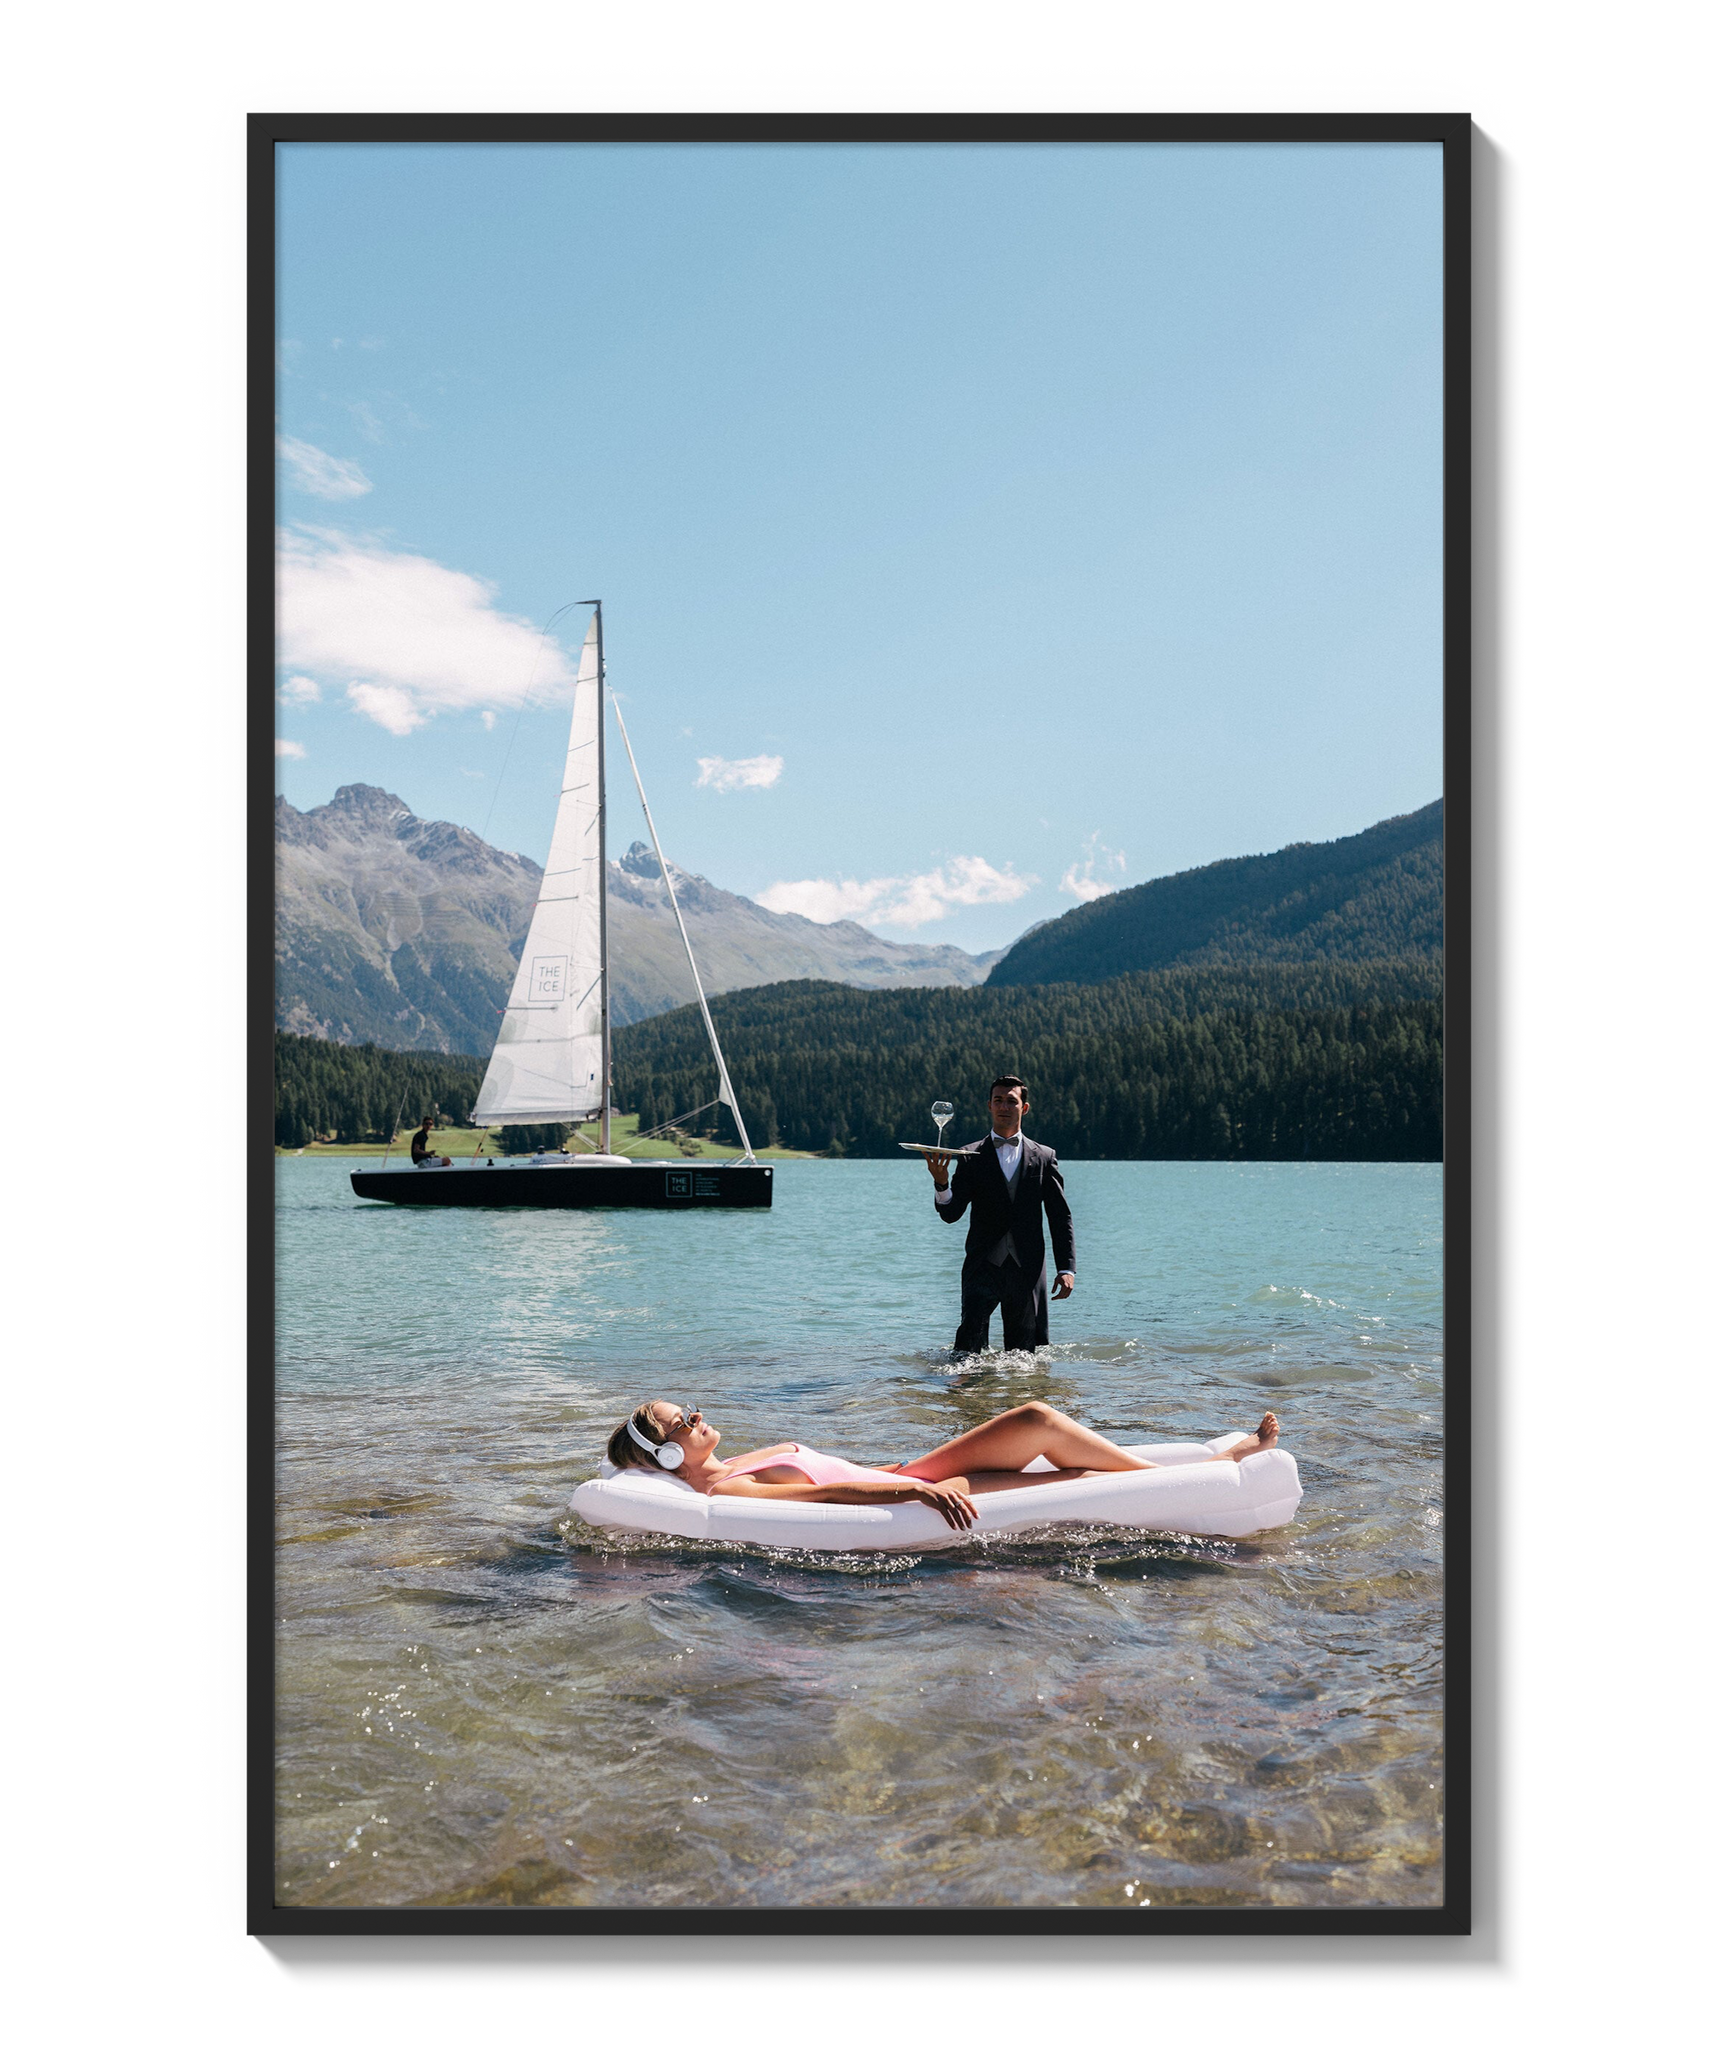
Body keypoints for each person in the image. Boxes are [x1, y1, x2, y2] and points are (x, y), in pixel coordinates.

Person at [606, 1399, 1281, 1532]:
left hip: (911, 1470)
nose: (696, 1415)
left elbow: (828, 1468)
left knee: (1041, 1429)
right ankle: (1218, 1464)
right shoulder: (731, 1488)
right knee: (1043, 1433)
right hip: (915, 1490)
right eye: (681, 1422)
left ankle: (1212, 1458)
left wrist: (902, 1471)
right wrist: (919, 1496)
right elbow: (826, 1498)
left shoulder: (733, 1460)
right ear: (668, 1454)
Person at [926, 1075, 1074, 1356]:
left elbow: (1059, 1216)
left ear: (1024, 1108)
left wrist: (1066, 1268)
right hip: (982, 1266)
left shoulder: (1044, 1156)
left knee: (1024, 1356)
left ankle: (1021, 1399)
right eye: (998, 1101)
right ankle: (967, 1400)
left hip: (1027, 1268)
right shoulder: (969, 1155)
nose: (1004, 1106)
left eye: (1011, 1101)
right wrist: (941, 1183)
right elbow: (951, 1214)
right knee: (966, 1354)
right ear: (989, 1106)